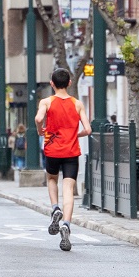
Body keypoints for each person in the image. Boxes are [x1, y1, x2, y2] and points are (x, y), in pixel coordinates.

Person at [35, 68, 92, 252]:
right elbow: (88, 130)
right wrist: (76, 135)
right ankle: (66, 224)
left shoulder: (46, 102)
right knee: (68, 188)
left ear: (52, 83)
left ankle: (55, 208)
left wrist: (40, 129)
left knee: (52, 179)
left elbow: (38, 118)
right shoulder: (77, 104)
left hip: (52, 150)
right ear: (69, 83)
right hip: (71, 151)